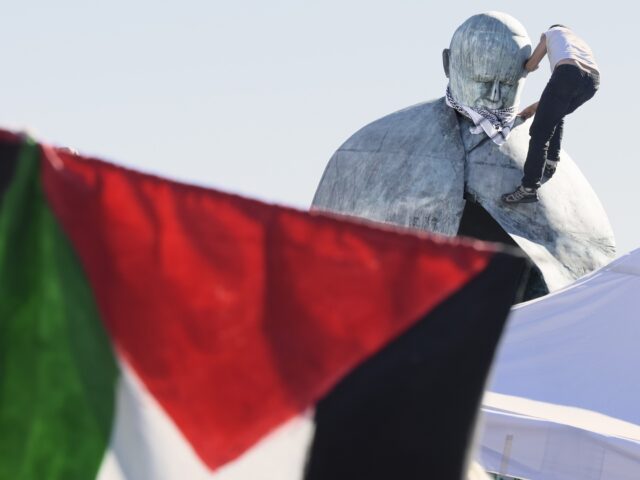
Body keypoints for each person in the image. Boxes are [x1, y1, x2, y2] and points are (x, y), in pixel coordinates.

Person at [502, 24, 600, 204]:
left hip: (568, 73)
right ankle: (552, 160)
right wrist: (532, 109)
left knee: (539, 133)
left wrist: (528, 64)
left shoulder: (551, 33)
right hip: (592, 82)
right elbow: (553, 104)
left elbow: (530, 65)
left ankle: (529, 188)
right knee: (557, 113)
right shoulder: (578, 41)